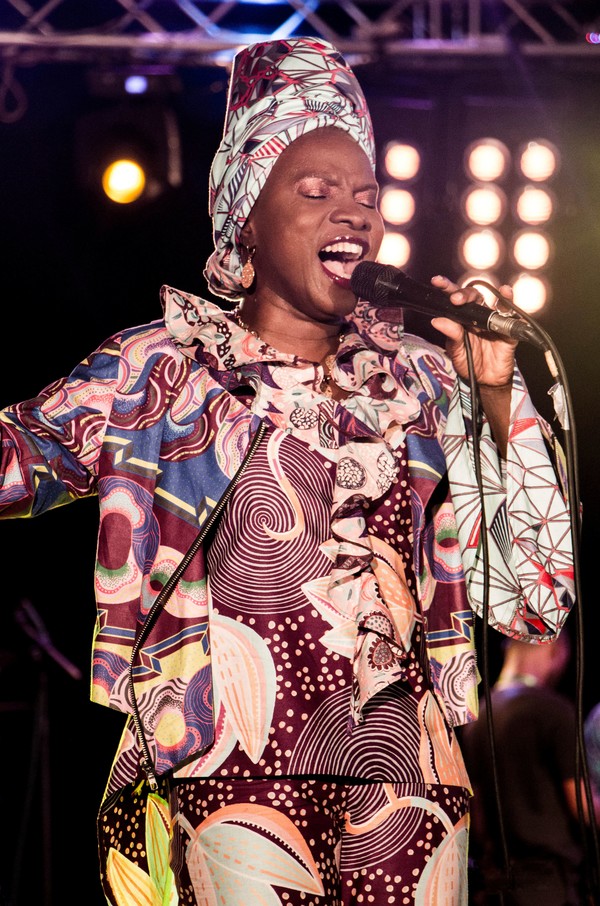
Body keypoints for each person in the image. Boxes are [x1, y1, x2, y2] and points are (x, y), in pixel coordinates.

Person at [0, 37, 575, 906]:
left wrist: (499, 398)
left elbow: (537, 596)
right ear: (248, 219)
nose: (353, 214)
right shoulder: (160, 371)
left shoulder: (422, 378)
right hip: (222, 771)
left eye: (365, 196)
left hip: (407, 780)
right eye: (315, 191)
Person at [461, 632, 599, 905]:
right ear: (554, 652)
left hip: (496, 885)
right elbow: (582, 808)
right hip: (550, 884)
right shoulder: (553, 710)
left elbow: (477, 821)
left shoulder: (476, 718)